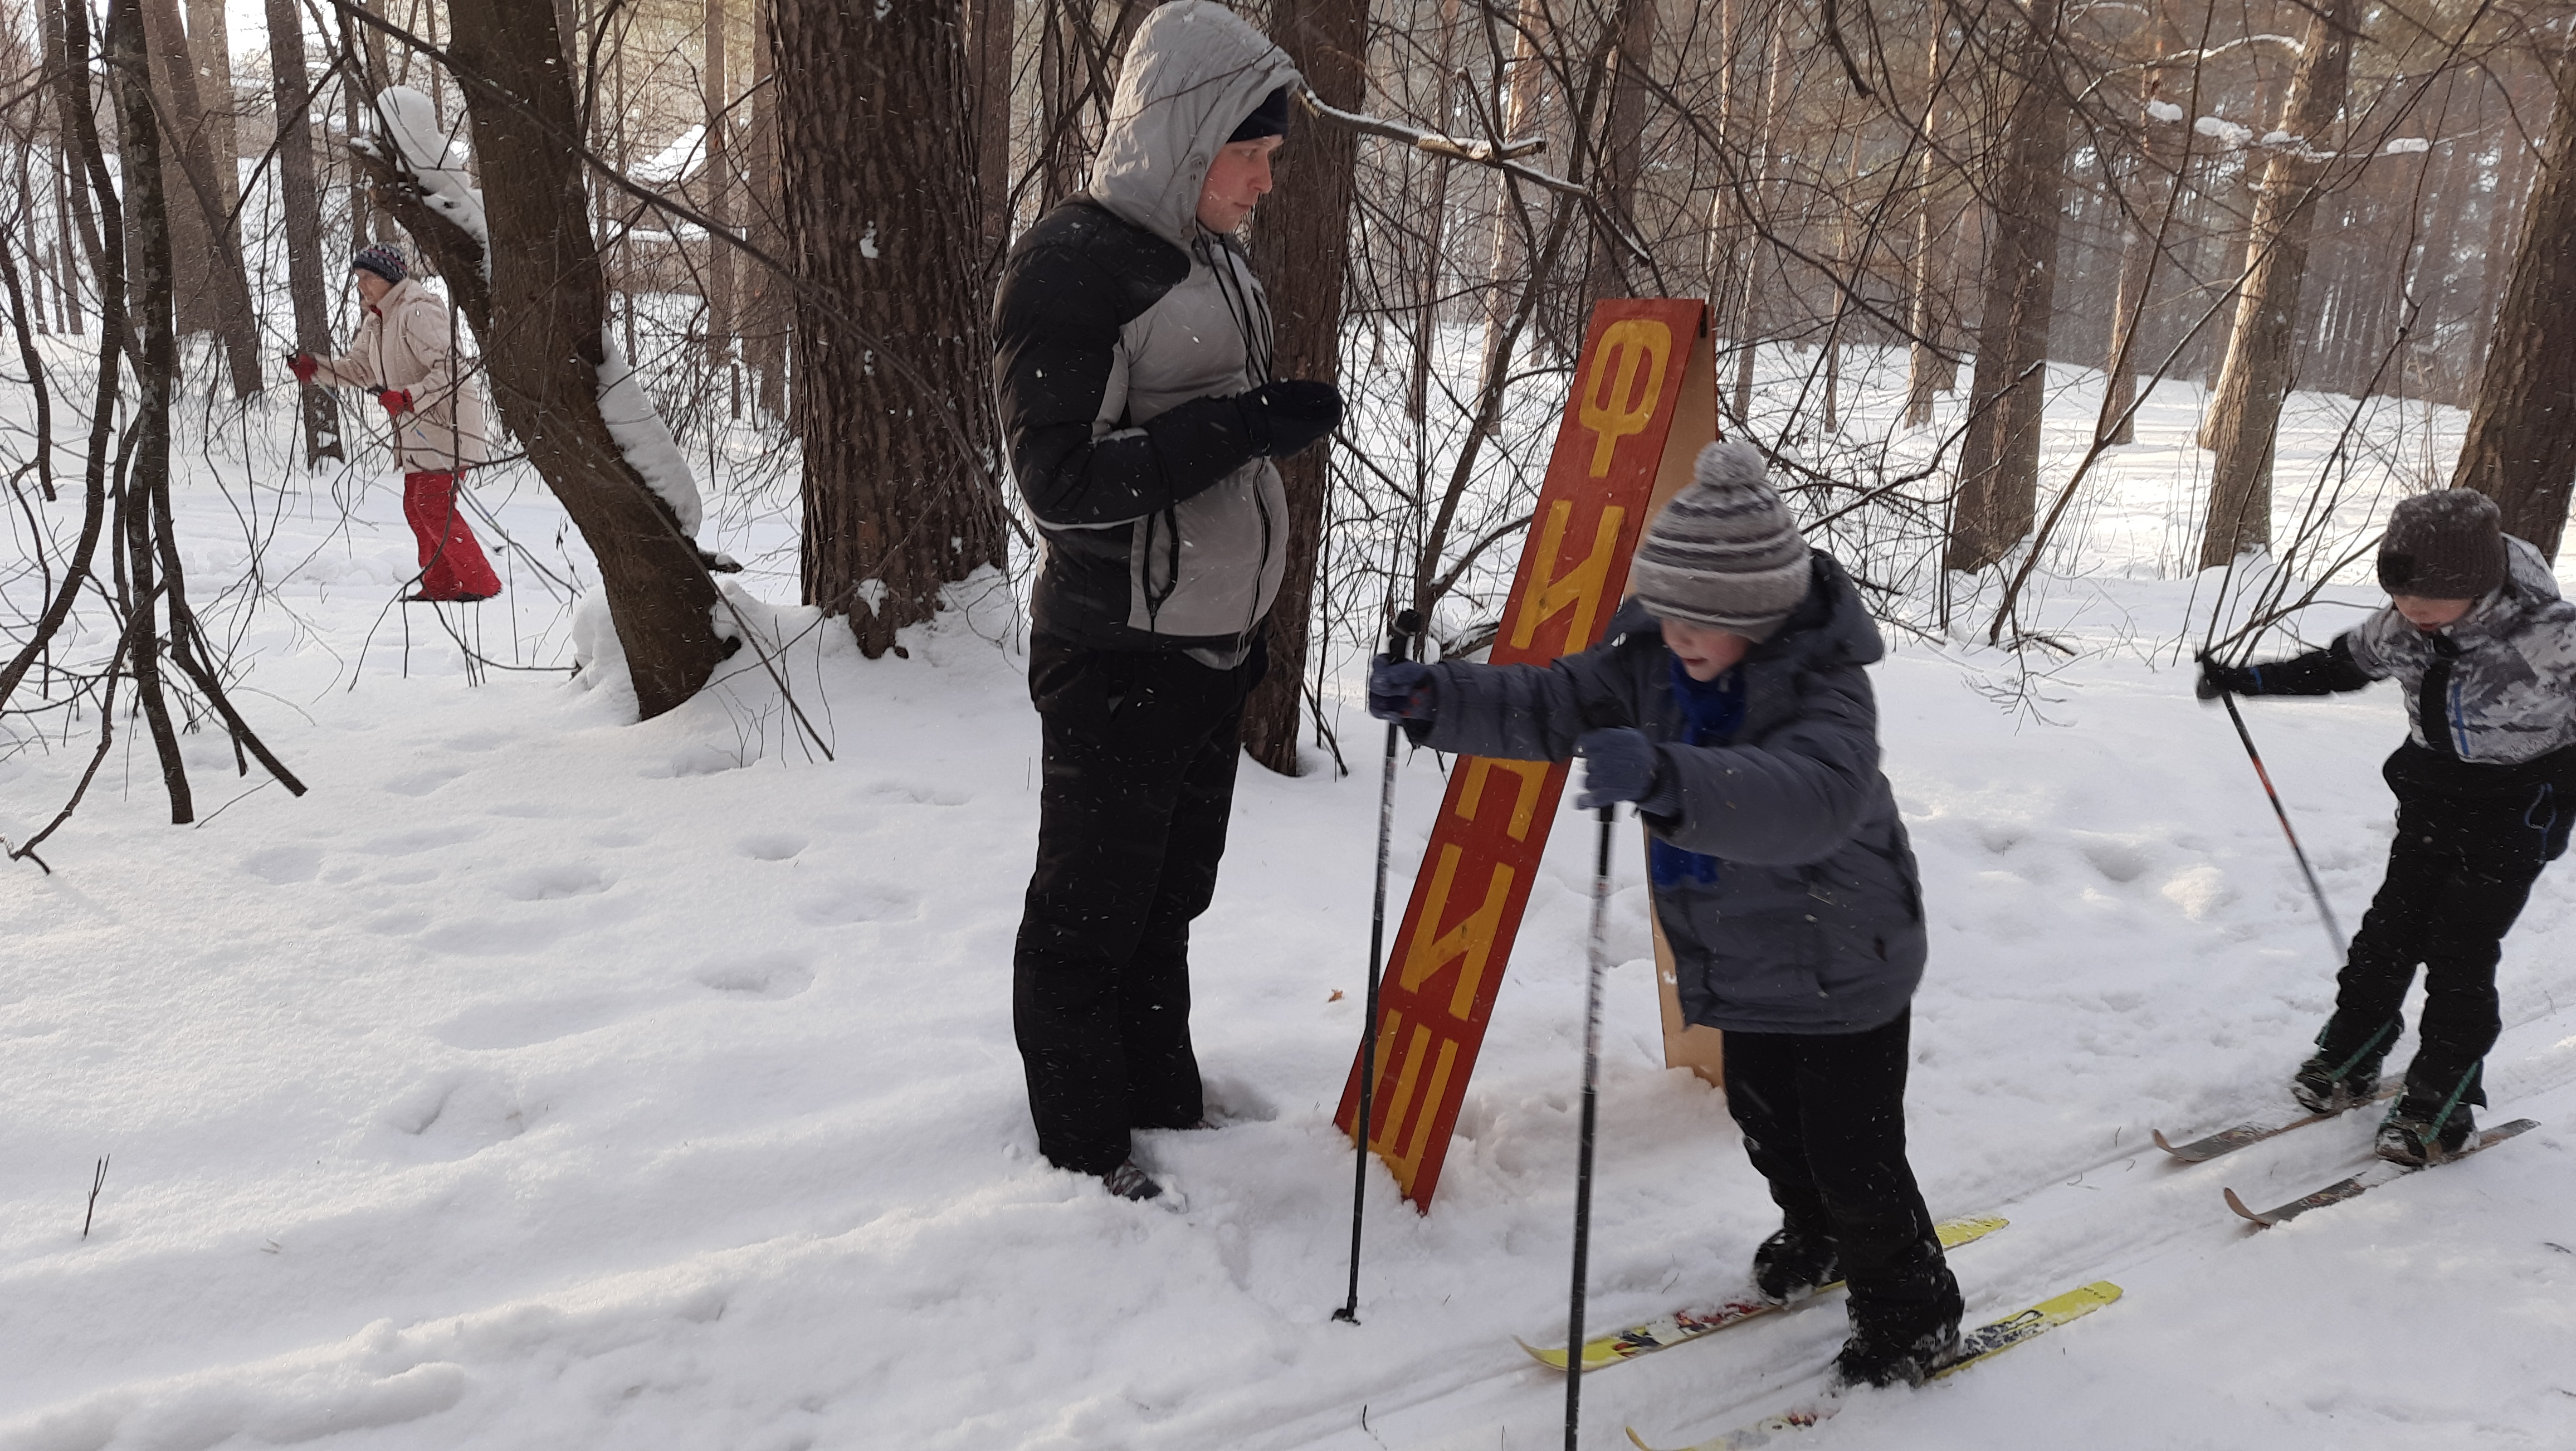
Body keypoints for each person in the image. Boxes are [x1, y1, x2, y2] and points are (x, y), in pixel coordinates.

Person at [1368, 442, 1962, 1389]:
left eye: (1699, 618)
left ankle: (1912, 1310)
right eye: (1667, 608)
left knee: (1852, 1150)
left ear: (1756, 616)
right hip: (1747, 955)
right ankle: (1816, 1231)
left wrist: (1668, 775)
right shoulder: (1652, 659)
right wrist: (1441, 699)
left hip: (1846, 952)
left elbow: (1813, 797)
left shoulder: (1823, 683)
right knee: (1765, 1114)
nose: (1675, 630)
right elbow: (1551, 701)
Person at [990, 1, 1341, 1201]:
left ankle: (1159, 1103)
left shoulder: (1212, 251)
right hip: (1117, 654)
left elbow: (1194, 425)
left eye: (1272, 155)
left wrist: (1254, 428)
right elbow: (1059, 481)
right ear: (1187, 137)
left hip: (1209, 646)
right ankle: (1085, 1155)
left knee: (1165, 900)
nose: (1264, 181)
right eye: (1249, 152)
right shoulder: (1071, 267)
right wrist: (1240, 428)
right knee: (1088, 916)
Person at [2198, 489, 2576, 1165]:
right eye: (2400, 595)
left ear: (2477, 583)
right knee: (2387, 934)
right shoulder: (2400, 626)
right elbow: (2337, 667)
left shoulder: (2553, 637)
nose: (2411, 610)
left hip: (2517, 813)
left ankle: (2442, 1102)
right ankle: (2353, 1053)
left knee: (2459, 953)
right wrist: (2248, 679)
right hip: (2432, 799)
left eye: (2429, 598)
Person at [290, 243, 501, 603]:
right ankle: (442, 584)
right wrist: (316, 369)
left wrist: (408, 396)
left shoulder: (418, 310)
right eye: (358, 278)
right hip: (417, 429)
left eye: (368, 277)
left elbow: (452, 368)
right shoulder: (377, 321)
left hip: (447, 426)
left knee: (431, 504)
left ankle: (480, 582)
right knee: (417, 506)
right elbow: (360, 369)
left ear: (389, 276)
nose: (361, 285)